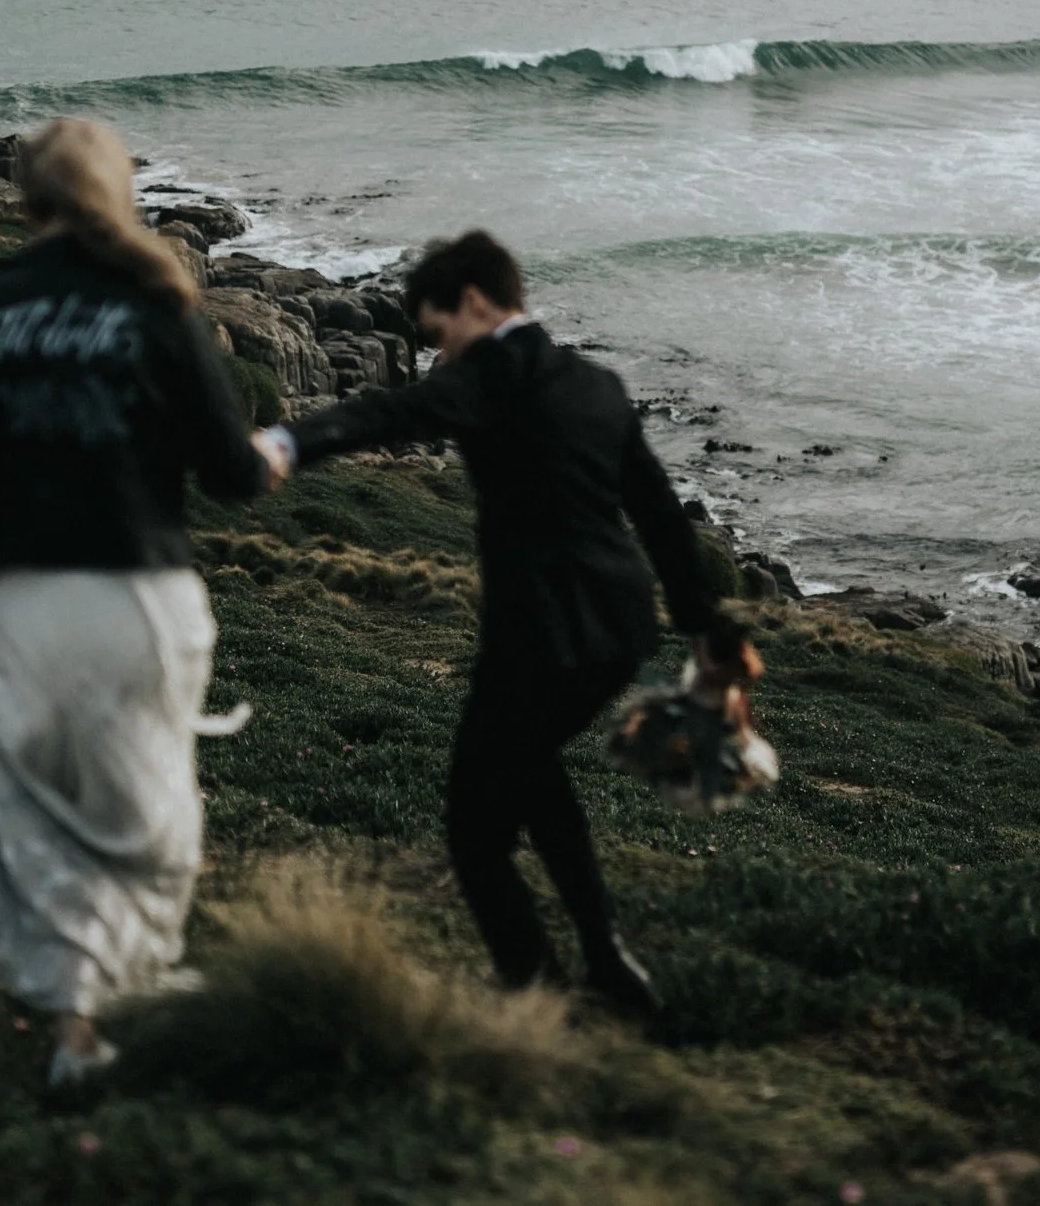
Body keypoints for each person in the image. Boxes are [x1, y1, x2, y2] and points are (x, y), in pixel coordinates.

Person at [256, 230, 722, 1017]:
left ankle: (536, 991)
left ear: (475, 301)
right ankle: (607, 962)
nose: (440, 355)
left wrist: (288, 439)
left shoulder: (487, 378)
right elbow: (662, 517)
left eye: (438, 334)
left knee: (474, 829)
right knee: (533, 769)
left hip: (540, 632)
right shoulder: (595, 383)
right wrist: (708, 628)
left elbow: (391, 411)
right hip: (617, 628)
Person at [0, 117, 275, 1085]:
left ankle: (70, 1018)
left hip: (20, 601)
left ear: (24, 201)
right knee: (146, 804)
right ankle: (127, 980)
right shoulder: (158, 303)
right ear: (120, 192)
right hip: (139, 598)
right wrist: (274, 453)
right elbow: (232, 474)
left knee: (37, 809)